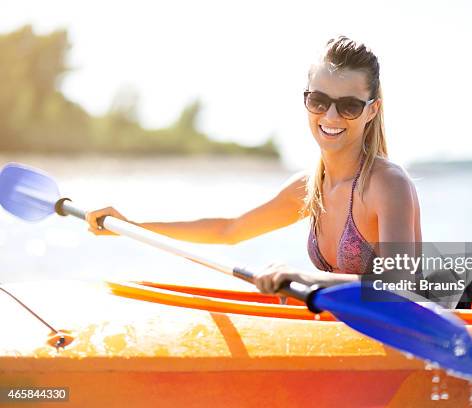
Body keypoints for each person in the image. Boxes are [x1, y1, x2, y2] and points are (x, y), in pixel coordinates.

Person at [86, 35, 422, 295]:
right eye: (319, 101)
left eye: (348, 106)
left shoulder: (387, 184)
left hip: (406, 335)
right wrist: (130, 225)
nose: (330, 117)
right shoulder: (308, 189)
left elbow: (399, 286)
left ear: (372, 109)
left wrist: (305, 277)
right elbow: (229, 230)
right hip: (349, 332)